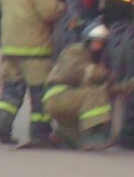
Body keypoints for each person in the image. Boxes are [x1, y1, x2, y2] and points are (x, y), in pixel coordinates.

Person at [0, 0, 65, 147]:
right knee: (39, 92)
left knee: (11, 91)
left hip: (9, 46)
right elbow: (50, 11)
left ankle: (1, 127)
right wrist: (63, 7)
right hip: (34, 49)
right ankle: (40, 134)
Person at [43, 22, 115, 150]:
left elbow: (103, 90)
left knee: (75, 140)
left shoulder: (93, 58)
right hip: (58, 96)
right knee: (94, 94)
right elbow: (73, 71)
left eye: (101, 43)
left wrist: (127, 87)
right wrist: (99, 73)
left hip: (68, 99)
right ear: (87, 40)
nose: (98, 46)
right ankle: (91, 137)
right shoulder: (75, 51)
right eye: (95, 42)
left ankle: (62, 135)